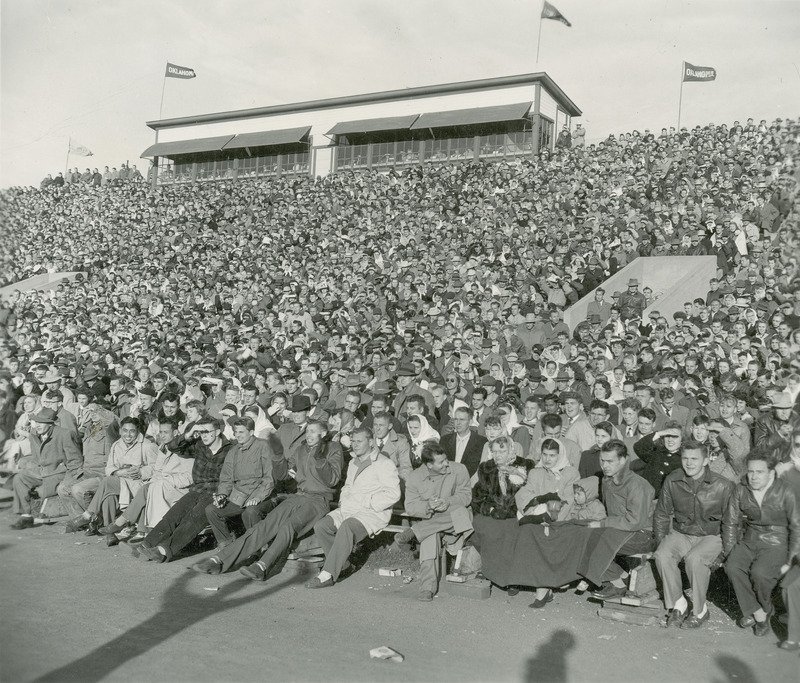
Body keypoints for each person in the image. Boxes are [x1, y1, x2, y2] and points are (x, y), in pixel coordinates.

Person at [192, 420, 342, 579]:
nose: (309, 435)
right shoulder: (301, 450)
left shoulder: (333, 449)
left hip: (319, 500)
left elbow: (332, 480)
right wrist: (277, 455)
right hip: (299, 496)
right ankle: (220, 560)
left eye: (313, 431)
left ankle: (262, 566)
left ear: (323, 434)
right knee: (266, 524)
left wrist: (320, 459)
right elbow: (283, 475)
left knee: (288, 527)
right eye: (307, 431)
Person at [653, 440, 736, 629]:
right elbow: (662, 514)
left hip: (711, 535)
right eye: (685, 458)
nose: (689, 463)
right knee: (662, 555)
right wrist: (661, 542)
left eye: (694, 459)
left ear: (706, 460)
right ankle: (679, 603)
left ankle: (700, 610)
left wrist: (726, 553)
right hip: (683, 532)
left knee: (694, 559)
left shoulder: (723, 485)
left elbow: (731, 522)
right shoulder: (672, 480)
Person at [305, 426, 400, 588]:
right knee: (322, 526)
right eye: (353, 441)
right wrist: (345, 500)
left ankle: (328, 573)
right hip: (349, 509)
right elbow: (347, 486)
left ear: (371, 442)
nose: (355, 445)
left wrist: (369, 502)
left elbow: (393, 494)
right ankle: (344, 566)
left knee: (347, 527)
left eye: (359, 441)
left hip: (372, 514)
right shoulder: (353, 462)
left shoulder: (384, 463)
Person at [134, 417, 233, 563]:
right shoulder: (200, 445)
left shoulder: (230, 450)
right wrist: (190, 433)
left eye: (207, 432)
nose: (204, 435)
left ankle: (164, 550)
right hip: (198, 489)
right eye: (201, 432)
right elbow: (173, 446)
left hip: (215, 492)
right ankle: (148, 543)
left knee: (193, 519)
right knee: (175, 513)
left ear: (217, 432)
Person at [725, 450, 800, 637]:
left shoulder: (786, 490)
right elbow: (730, 521)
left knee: (760, 573)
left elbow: (796, 526)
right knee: (733, 566)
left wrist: (791, 558)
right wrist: (730, 551)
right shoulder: (741, 488)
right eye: (751, 472)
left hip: (777, 541)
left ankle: (762, 610)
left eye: (759, 472)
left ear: (771, 473)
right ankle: (760, 612)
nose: (754, 476)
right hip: (750, 538)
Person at [393, 440, 472, 601]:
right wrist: (428, 506)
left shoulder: (459, 469)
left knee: (461, 512)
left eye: (446, 459)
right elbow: (411, 506)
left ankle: (414, 532)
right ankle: (427, 588)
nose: (446, 464)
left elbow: (466, 496)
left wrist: (448, 502)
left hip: (456, 524)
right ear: (429, 465)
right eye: (441, 462)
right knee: (430, 536)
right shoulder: (415, 477)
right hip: (431, 522)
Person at [579, 439, 656, 599]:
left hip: (643, 534)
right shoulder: (607, 480)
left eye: (610, 461)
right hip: (619, 530)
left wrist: (602, 524)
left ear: (622, 460)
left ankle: (616, 583)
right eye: (602, 461)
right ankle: (621, 578)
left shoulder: (636, 484)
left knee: (593, 541)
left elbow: (635, 521)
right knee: (579, 534)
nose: (605, 465)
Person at [73, 417, 160, 536]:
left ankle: (88, 514)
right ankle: (110, 534)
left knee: (107, 482)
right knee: (109, 496)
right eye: (125, 430)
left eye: (132, 431)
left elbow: (156, 468)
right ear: (120, 431)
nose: (128, 435)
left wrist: (140, 471)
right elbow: (108, 468)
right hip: (120, 481)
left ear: (138, 431)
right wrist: (119, 472)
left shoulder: (147, 445)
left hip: (137, 484)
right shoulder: (116, 445)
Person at [203, 416, 281, 549]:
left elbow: (269, 478)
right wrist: (222, 495)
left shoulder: (263, 446)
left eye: (241, 432)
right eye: (235, 432)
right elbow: (226, 479)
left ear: (251, 432)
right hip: (239, 496)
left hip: (263, 495)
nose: (238, 435)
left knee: (250, 512)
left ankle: (258, 547)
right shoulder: (233, 451)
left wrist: (258, 497)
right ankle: (227, 546)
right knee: (212, 510)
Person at [10, 408, 82, 530]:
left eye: (41, 423)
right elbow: (36, 457)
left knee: (38, 492)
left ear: (50, 423)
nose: (37, 425)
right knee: (19, 478)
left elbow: (75, 461)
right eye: (35, 422)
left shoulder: (64, 434)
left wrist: (68, 481)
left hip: (58, 474)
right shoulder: (34, 434)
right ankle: (26, 516)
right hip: (41, 472)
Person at [632, 420, 684, 497]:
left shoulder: (684, 458)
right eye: (667, 436)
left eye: (674, 436)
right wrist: (659, 433)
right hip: (646, 498)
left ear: (682, 440)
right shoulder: (656, 452)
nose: (670, 440)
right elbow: (638, 447)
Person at [440, 406, 487, 478]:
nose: (458, 423)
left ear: (470, 422)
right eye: (456, 419)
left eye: (462, 420)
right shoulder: (445, 440)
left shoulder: (481, 442)